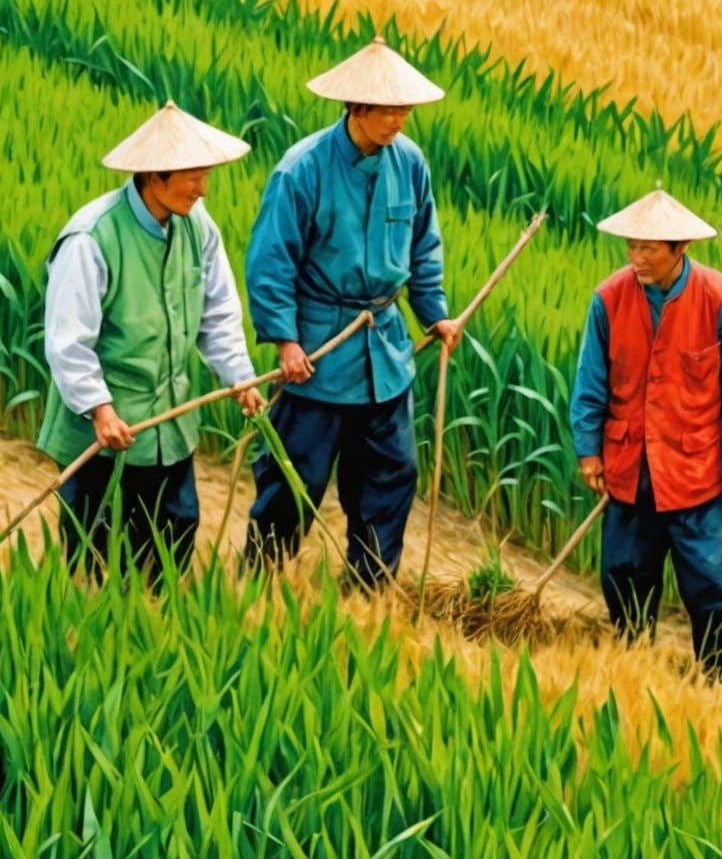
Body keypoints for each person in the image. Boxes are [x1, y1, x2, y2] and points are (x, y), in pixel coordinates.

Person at [245, 35, 460, 588]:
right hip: (320, 352)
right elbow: (272, 260)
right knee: (296, 477)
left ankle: (370, 587)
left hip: (383, 351)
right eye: (387, 110)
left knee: (392, 474)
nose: (399, 121)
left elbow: (422, 246)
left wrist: (433, 314)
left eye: (404, 109)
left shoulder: (409, 164)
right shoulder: (303, 170)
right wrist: (285, 340)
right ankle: (262, 578)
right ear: (355, 108)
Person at [38, 101, 264, 580]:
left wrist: (240, 377)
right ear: (154, 177)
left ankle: (157, 629)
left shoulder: (198, 225)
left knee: (175, 536)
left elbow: (218, 310)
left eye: (206, 177)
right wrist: (100, 410)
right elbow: (69, 341)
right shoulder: (91, 238)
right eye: (193, 178)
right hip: (107, 433)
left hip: (170, 424)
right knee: (98, 553)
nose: (203, 189)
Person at [569, 189, 722, 677]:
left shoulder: (721, 299)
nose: (636, 258)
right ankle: (634, 664)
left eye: (648, 249)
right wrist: (588, 450)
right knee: (624, 574)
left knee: (713, 587)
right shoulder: (609, 299)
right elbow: (590, 380)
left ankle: (716, 676)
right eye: (632, 247)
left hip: (695, 469)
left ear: (680, 249)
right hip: (630, 466)